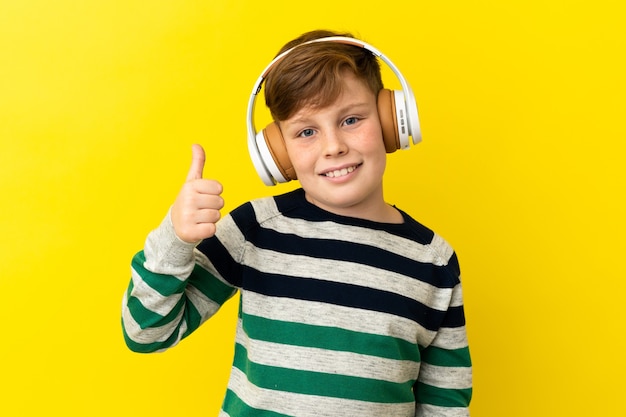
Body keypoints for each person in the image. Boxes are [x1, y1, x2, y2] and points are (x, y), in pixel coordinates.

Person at [122, 29, 472, 417]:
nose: (333, 146)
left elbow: (445, 404)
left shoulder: (433, 261)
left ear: (392, 120)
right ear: (278, 153)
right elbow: (146, 333)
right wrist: (175, 238)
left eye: (352, 119)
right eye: (307, 131)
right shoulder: (255, 229)